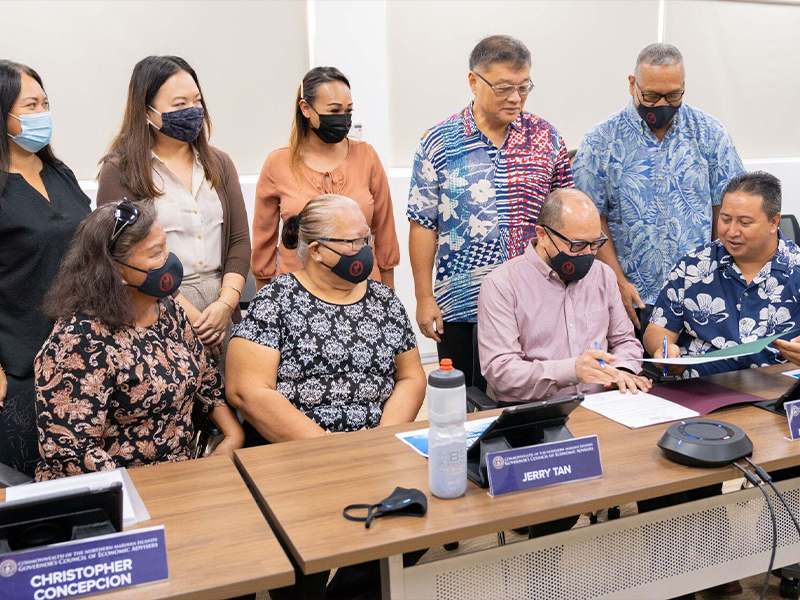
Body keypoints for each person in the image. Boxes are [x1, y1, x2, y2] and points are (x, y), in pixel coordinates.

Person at [227, 194, 425, 599]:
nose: (364, 251)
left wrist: (380, 438)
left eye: (366, 239)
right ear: (315, 250)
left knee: (419, 523)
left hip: (376, 450)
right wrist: (328, 450)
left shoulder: (384, 300)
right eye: (353, 242)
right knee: (304, 566)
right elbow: (247, 391)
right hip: (299, 458)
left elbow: (411, 377)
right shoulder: (276, 301)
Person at [407, 34, 573, 390]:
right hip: (463, 304)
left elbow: (566, 218)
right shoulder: (439, 142)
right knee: (469, 409)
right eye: (503, 88)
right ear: (473, 81)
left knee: (536, 403)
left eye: (524, 87)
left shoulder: (546, 138)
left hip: (535, 304)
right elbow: (422, 224)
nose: (515, 98)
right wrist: (424, 297)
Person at [35, 200, 243, 481]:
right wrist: (144, 495)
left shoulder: (166, 307)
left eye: (165, 246)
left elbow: (206, 379)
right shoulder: (78, 341)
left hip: (180, 473)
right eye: (156, 253)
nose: (169, 260)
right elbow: (72, 452)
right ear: (116, 271)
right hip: (116, 489)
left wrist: (233, 435)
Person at [573, 43, 745, 337]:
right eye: (651, 96)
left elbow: (727, 209)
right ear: (632, 85)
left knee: (700, 382)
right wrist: (617, 281)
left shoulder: (710, 134)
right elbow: (591, 220)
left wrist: (717, 275)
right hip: (629, 297)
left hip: (699, 293)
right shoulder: (600, 141)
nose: (662, 104)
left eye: (673, 95)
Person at [97, 55, 251, 373]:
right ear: (147, 111)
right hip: (158, 304)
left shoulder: (219, 162)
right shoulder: (120, 170)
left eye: (197, 101)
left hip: (222, 301)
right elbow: (116, 254)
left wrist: (225, 304)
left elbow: (238, 240)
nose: (193, 110)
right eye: (179, 103)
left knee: (228, 405)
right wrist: (190, 315)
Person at [0, 60, 91, 476]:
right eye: (30, 105)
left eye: (45, 103)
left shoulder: (58, 171)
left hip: (86, 350)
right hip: (22, 361)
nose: (42, 114)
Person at [479, 189, 651, 404]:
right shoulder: (502, 284)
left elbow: (625, 341)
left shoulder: (603, 275)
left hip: (604, 405)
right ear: (542, 235)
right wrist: (571, 371)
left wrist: (622, 371)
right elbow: (501, 372)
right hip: (537, 412)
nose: (588, 253)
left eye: (595, 243)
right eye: (577, 245)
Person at [251, 66, 399, 291]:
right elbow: (263, 244)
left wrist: (388, 298)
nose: (343, 118)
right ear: (305, 108)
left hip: (362, 289)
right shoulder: (277, 164)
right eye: (334, 110)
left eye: (348, 110)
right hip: (297, 296)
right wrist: (266, 304)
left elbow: (385, 230)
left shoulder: (367, 156)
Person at [645, 171, 800, 377]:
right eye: (725, 219)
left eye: (744, 223)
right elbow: (657, 330)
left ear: (773, 222)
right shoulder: (693, 265)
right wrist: (664, 351)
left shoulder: (795, 268)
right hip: (699, 390)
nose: (732, 231)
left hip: (775, 393)